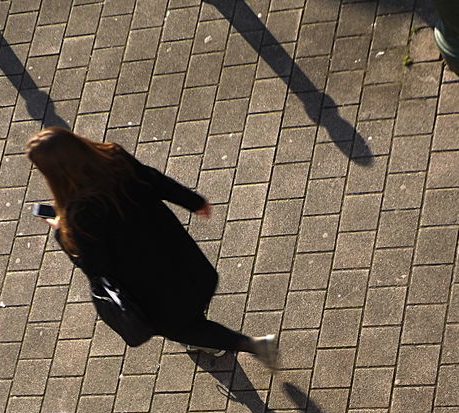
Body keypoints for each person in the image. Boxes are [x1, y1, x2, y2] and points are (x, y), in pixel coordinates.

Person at [24, 127, 277, 366]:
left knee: (183, 328)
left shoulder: (78, 218)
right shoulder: (114, 157)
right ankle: (203, 328)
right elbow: (154, 180)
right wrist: (193, 201)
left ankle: (252, 346)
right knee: (190, 310)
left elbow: (97, 270)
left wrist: (61, 233)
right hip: (181, 260)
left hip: (153, 291)